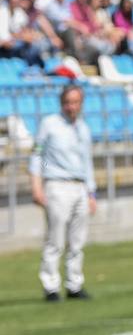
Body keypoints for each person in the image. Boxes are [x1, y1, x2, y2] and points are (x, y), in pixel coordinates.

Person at [28, 85, 97, 301]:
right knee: (55, 239)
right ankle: (51, 286)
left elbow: (87, 162)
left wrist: (91, 192)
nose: (72, 107)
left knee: (77, 241)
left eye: (76, 102)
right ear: (62, 103)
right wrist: (37, 184)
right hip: (57, 185)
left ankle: (74, 284)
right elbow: (38, 155)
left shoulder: (83, 128)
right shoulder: (50, 124)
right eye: (68, 102)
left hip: (80, 186)